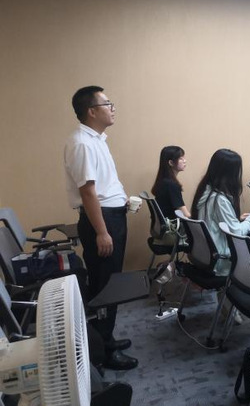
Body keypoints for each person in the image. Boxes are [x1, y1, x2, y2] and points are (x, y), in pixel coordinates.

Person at [64, 85, 138, 370]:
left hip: (111, 216)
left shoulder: (96, 140)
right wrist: (102, 231)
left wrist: (122, 200)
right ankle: (102, 352)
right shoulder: (82, 143)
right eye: (108, 103)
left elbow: (103, 185)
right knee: (104, 286)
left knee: (110, 283)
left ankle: (106, 339)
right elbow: (88, 193)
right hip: (102, 221)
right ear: (92, 111)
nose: (113, 108)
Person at [192, 149, 250, 275]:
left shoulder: (206, 191)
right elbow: (237, 232)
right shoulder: (219, 200)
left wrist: (237, 219)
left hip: (208, 257)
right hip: (223, 262)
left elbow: (216, 223)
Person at [151, 145, 190, 219]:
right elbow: (185, 214)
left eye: (184, 158)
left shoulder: (163, 181)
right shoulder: (171, 185)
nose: (185, 161)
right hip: (172, 224)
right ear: (171, 163)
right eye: (180, 158)